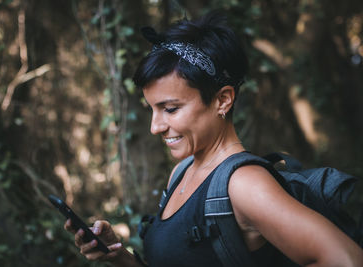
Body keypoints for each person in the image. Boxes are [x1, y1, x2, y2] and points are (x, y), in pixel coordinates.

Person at [64, 12, 363, 267]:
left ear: (222, 100)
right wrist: (121, 258)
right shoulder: (181, 173)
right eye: (152, 110)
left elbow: (347, 260)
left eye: (170, 109)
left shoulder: (244, 185)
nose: (155, 126)